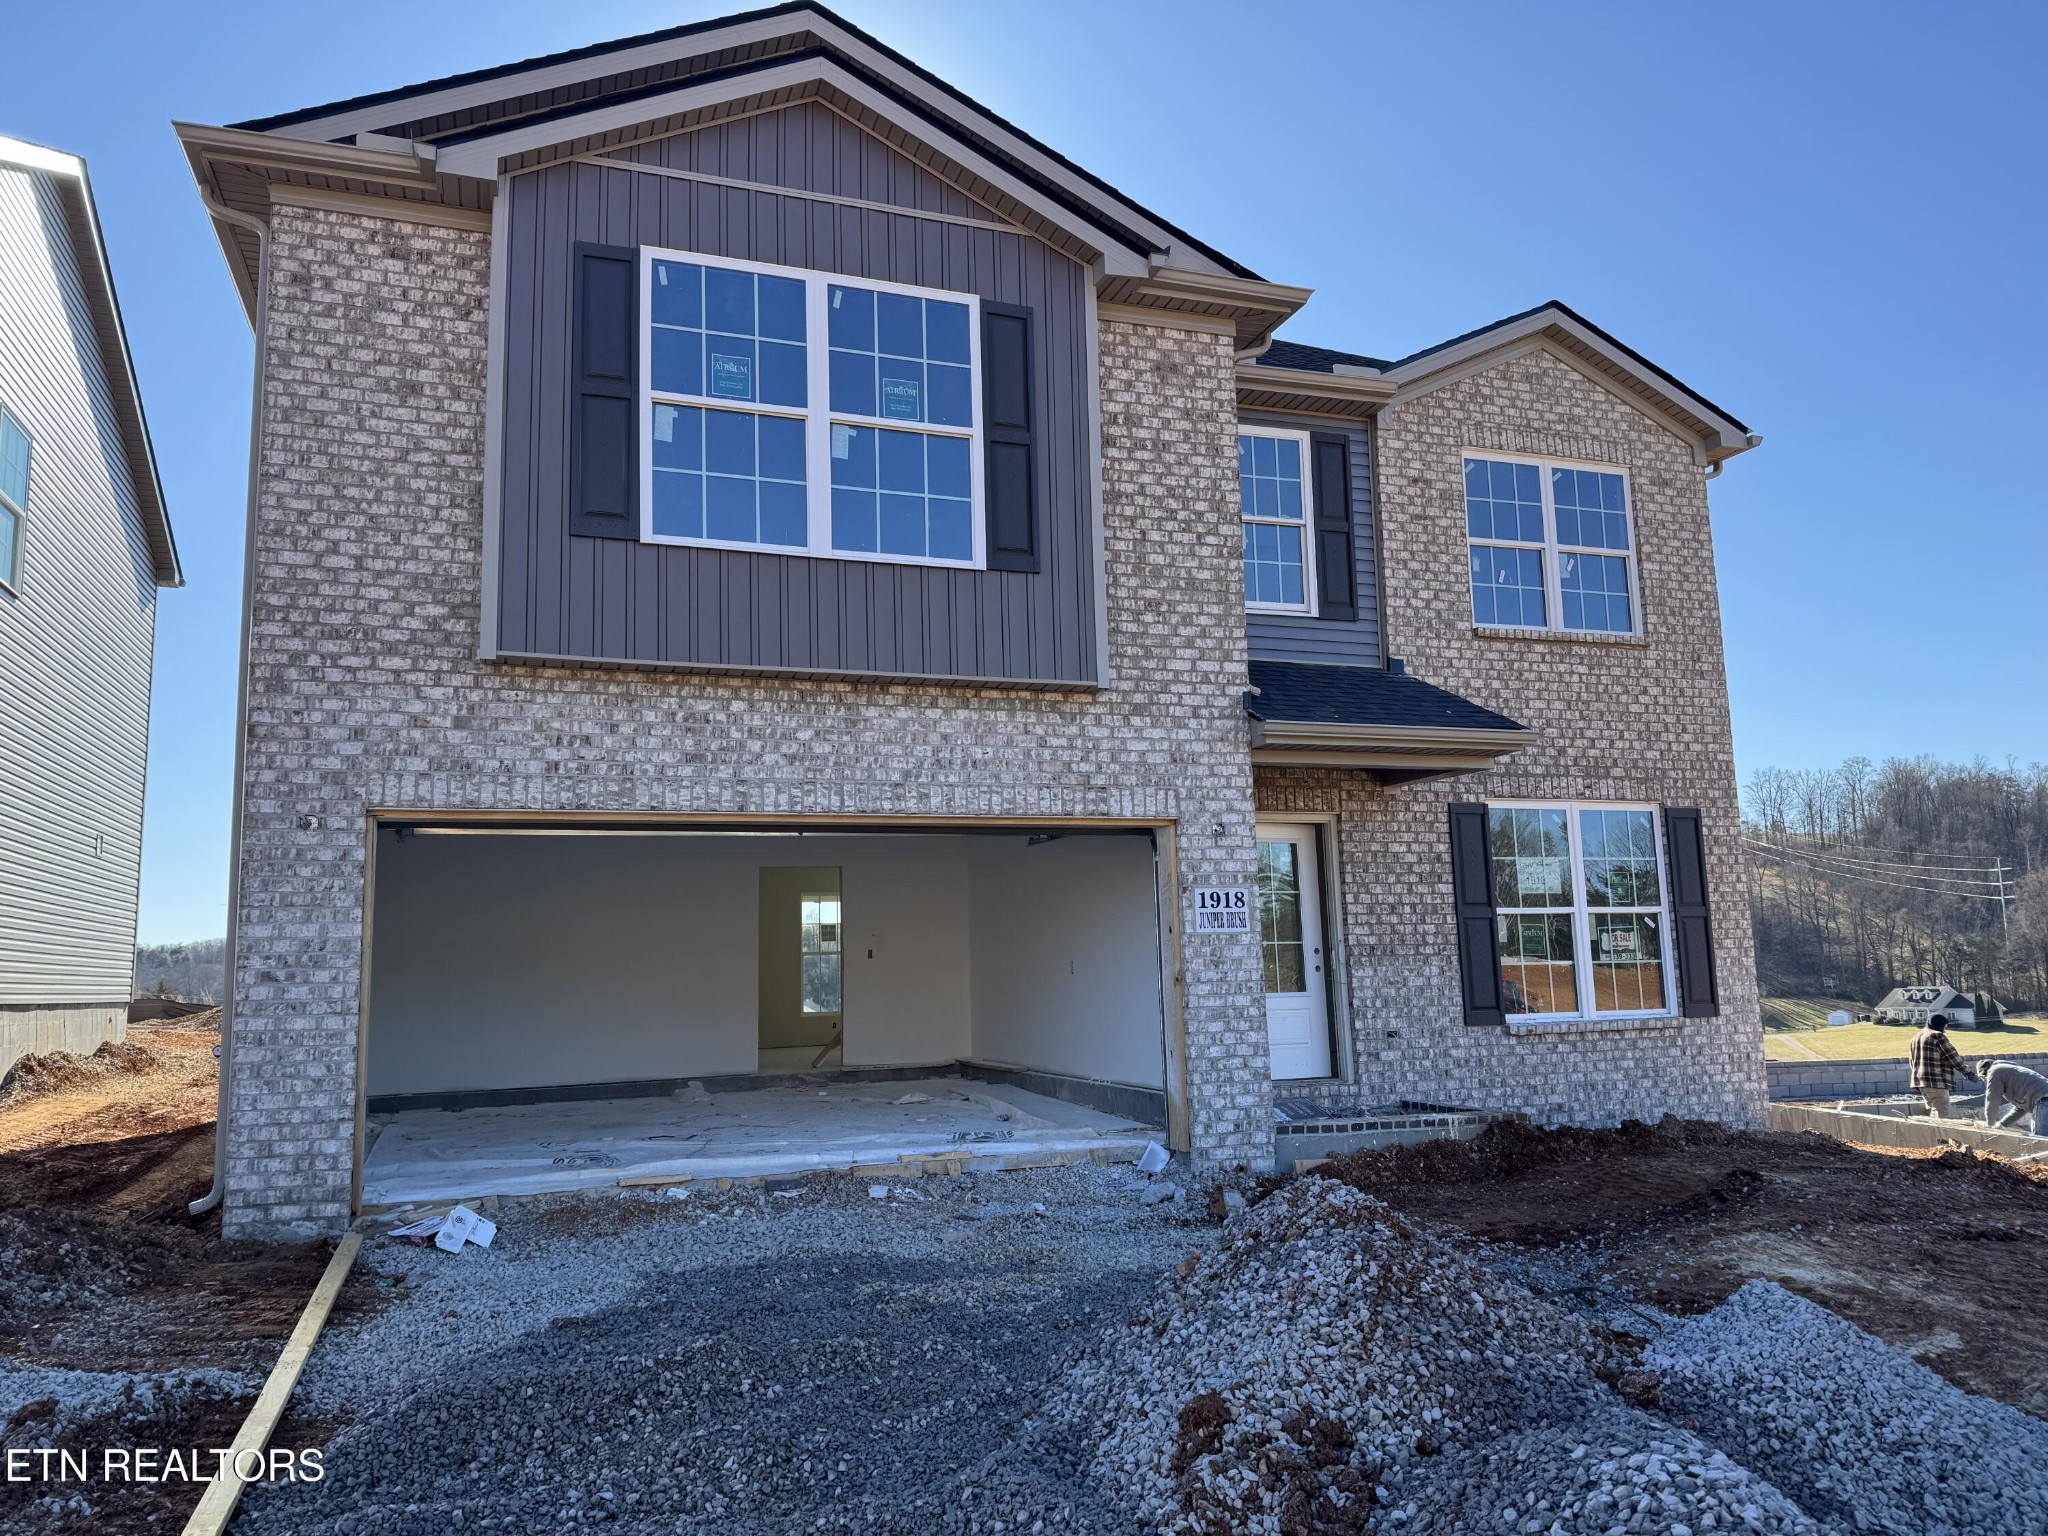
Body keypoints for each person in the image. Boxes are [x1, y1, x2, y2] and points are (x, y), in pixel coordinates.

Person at [1908, 1013, 1972, 1119]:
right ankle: (1939, 1135)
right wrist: (1967, 1071)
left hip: (1920, 1082)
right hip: (1936, 1081)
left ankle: (1933, 1134)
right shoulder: (1936, 1035)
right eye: (1944, 1027)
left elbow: (1912, 1060)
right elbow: (1952, 1056)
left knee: (1933, 1109)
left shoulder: (1916, 1037)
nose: (1944, 1030)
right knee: (1941, 1111)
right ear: (1939, 1024)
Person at [1976, 1058, 2048, 1137]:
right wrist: (2003, 1124)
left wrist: (1990, 1123)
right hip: (2043, 1100)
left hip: (2043, 1101)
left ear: (1984, 1074)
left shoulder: (1995, 1071)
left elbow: (1992, 1099)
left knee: (2041, 1141)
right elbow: (2021, 1108)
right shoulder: (2009, 1072)